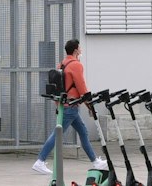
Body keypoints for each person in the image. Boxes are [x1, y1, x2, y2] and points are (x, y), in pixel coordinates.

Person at [35, 38, 104, 177]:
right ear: (76, 50)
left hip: (65, 105)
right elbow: (82, 88)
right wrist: (90, 106)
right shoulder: (76, 65)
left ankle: (95, 161)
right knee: (57, 134)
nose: (81, 49)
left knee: (83, 132)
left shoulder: (62, 63)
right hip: (71, 107)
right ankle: (40, 161)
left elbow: (60, 87)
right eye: (80, 47)